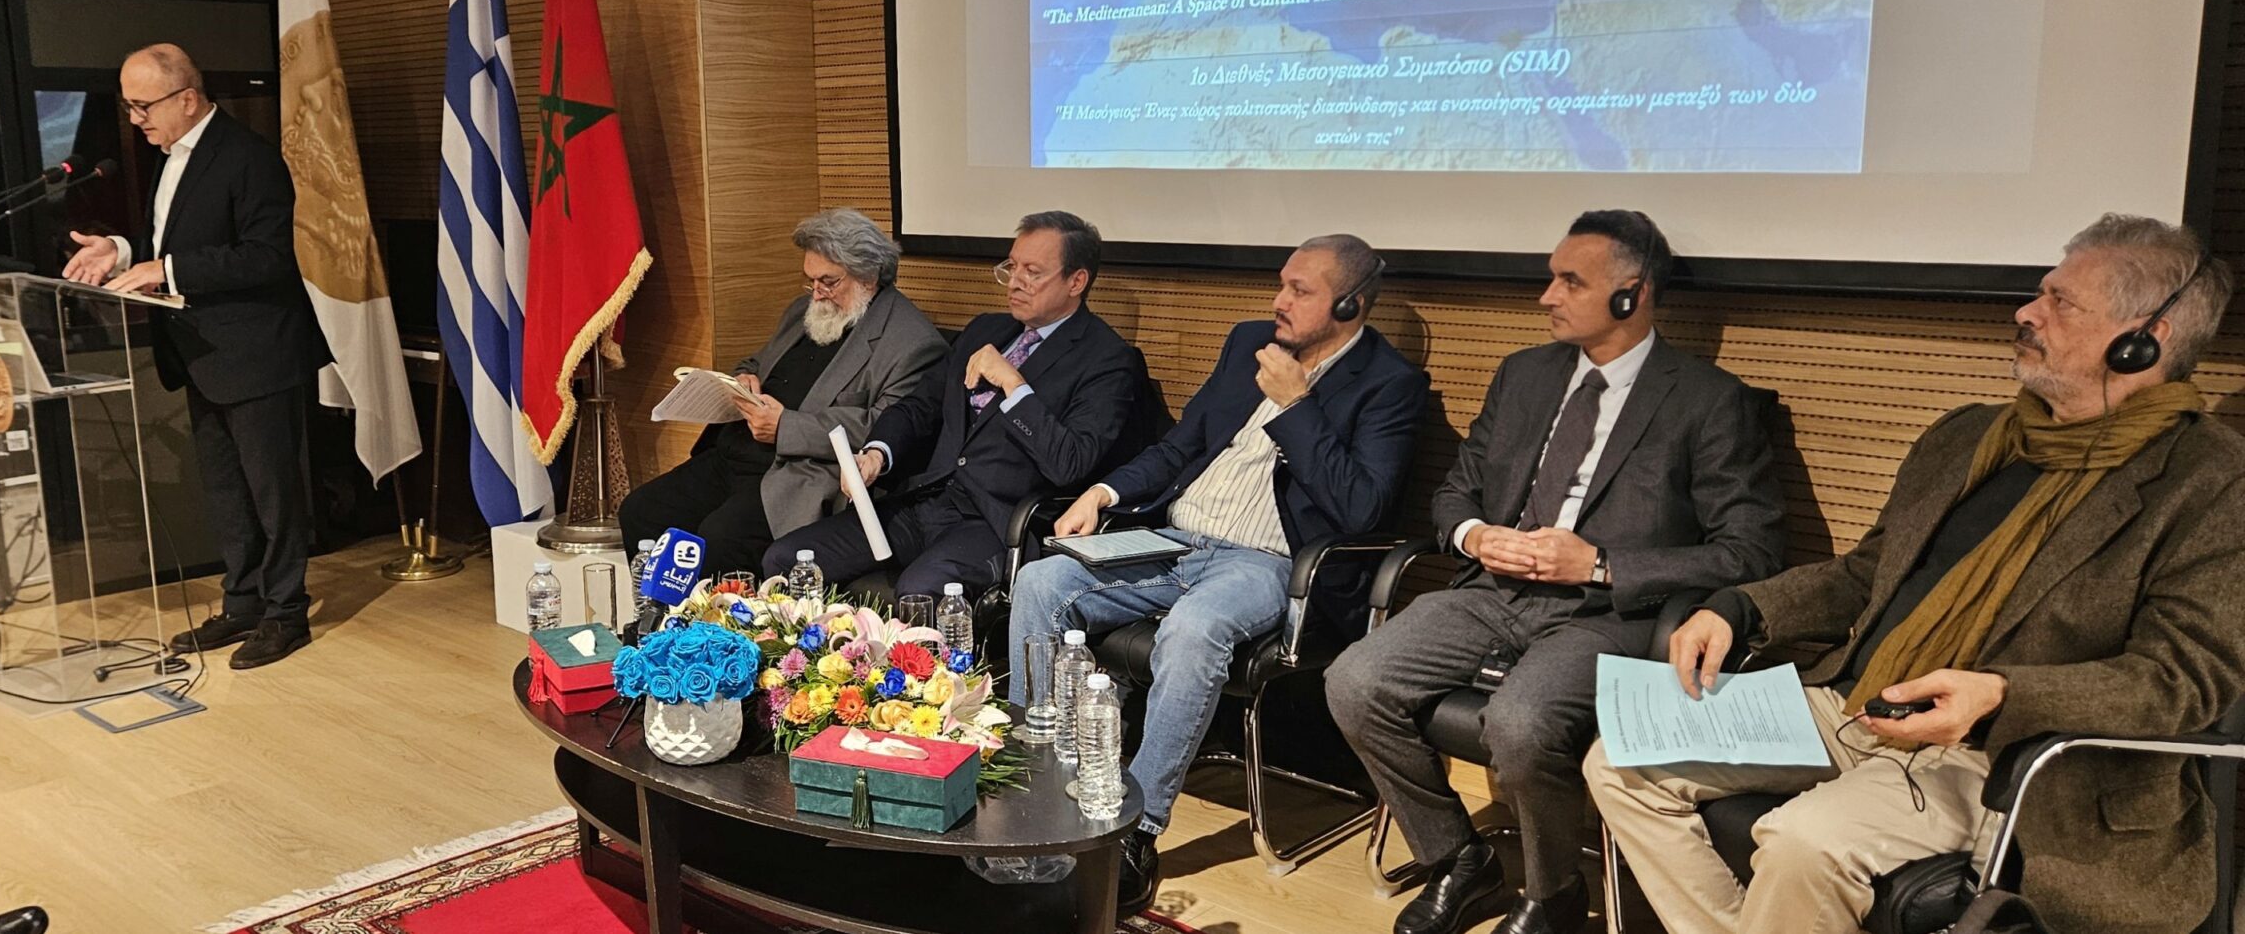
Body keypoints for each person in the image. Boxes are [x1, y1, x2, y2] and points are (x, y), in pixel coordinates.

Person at [1589, 214, 2245, 934]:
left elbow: (2182, 679)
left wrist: (2000, 694)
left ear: (2145, 338)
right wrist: (1738, 607)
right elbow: (1869, 573)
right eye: (2040, 292)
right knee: (1618, 763)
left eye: (2061, 302)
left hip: (2003, 756)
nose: (2027, 313)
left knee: (1803, 842)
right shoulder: (1969, 435)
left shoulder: (2210, 479)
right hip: (1860, 702)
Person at [1326, 210, 1783, 934]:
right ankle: (1458, 862)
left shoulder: (1708, 400)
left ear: (1632, 294)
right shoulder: (1525, 374)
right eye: (1551, 278)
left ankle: (1553, 893)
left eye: (1571, 281)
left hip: (1606, 612)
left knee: (1521, 723)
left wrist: (1600, 564)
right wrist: (1478, 536)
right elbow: (1456, 493)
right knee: (1353, 681)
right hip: (1493, 590)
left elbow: (1750, 550)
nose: (1547, 296)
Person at [1008, 234, 1428, 916]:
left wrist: (1297, 407)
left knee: (1195, 627)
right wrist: (1104, 493)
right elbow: (1182, 445)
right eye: (1281, 283)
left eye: (1300, 291)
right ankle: (1036, 786)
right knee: (1040, 582)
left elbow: (1361, 510)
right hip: (1175, 539)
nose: (1279, 300)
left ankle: (1135, 830)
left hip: (1270, 562)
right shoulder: (1248, 343)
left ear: (1350, 305)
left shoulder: (1389, 385)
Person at [64, 43, 326, 670]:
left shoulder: (248, 157)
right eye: (128, 107)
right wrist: (123, 250)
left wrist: (167, 269)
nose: (135, 119)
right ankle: (244, 603)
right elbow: (175, 239)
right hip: (202, 354)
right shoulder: (172, 156)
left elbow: (267, 256)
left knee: (273, 493)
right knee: (227, 491)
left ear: (187, 98)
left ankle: (286, 613)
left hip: (257, 354)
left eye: (143, 106)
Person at [761, 210, 1152, 596]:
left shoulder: (1108, 360)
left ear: (1076, 281)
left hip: (996, 521)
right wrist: (877, 453)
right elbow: (920, 406)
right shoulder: (986, 329)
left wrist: (1014, 386)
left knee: (920, 592)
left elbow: (1071, 462)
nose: (1015, 282)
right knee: (787, 559)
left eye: (1032, 272)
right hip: (927, 499)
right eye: (1012, 267)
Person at [618, 208, 946, 577]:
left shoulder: (911, 343)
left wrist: (785, 427)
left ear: (869, 276)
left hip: (799, 473)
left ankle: (716, 617)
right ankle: (661, 613)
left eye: (828, 282)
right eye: (811, 281)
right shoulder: (804, 310)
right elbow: (757, 361)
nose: (817, 293)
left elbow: (886, 426)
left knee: (719, 538)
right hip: (737, 451)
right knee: (641, 512)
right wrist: (745, 378)